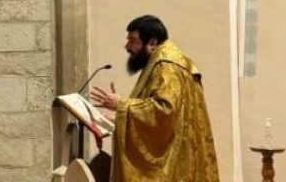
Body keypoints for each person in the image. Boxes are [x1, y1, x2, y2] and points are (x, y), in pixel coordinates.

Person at [90, 15, 219, 181]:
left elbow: (164, 110)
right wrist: (121, 116)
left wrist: (122, 105)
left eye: (132, 41)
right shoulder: (167, 60)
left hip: (177, 161)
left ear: (152, 43)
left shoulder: (167, 66)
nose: (127, 46)